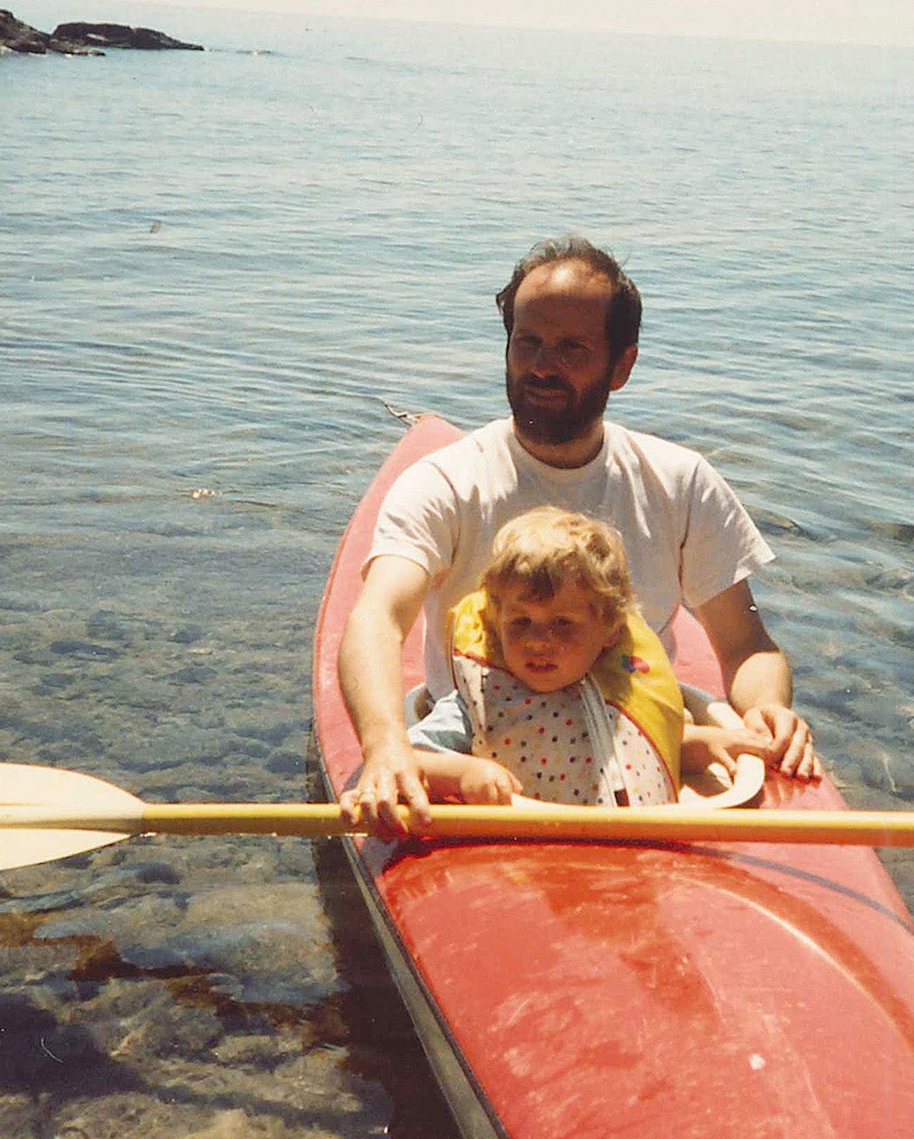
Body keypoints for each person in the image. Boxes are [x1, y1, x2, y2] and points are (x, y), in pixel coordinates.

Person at [340, 235, 824, 835]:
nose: (542, 366)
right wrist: (386, 746)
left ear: (622, 366)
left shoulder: (682, 481)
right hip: (488, 764)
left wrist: (769, 711)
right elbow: (378, 617)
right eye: (529, 342)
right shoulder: (444, 481)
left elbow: (745, 642)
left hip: (636, 741)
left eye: (572, 348)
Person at [405, 506, 766, 807]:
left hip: (640, 852)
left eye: (562, 623)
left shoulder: (627, 690)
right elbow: (411, 759)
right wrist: (466, 773)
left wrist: (700, 744)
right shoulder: (477, 701)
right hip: (529, 857)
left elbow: (627, 754)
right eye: (520, 622)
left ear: (609, 630)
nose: (538, 640)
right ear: (498, 624)